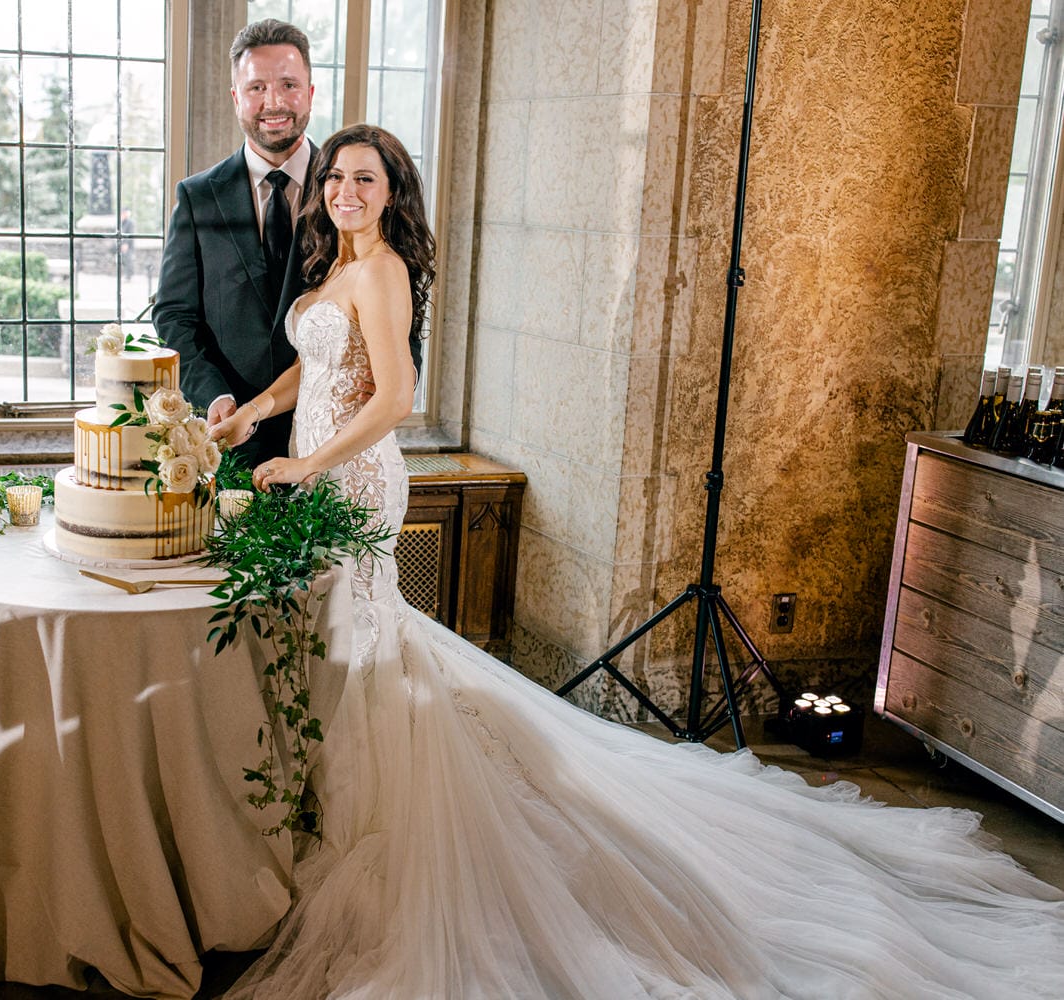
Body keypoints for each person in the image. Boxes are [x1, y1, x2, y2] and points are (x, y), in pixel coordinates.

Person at [211, 123, 1064, 999]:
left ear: (393, 192)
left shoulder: (384, 269)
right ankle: (326, 818)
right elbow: (305, 375)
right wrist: (251, 417)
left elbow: (397, 397)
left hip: (353, 485)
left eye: (367, 178)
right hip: (317, 477)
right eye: (339, 178)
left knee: (366, 651)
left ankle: (374, 830)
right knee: (355, 653)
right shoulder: (335, 268)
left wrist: (310, 462)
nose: (347, 191)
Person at [153, 19, 423, 469]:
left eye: (288, 84)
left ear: (311, 93)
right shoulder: (198, 197)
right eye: (256, 87)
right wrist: (216, 394)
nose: (273, 101)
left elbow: (401, 298)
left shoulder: (352, 190)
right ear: (236, 97)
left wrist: (399, 376)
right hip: (237, 435)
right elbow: (174, 313)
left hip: (342, 436)